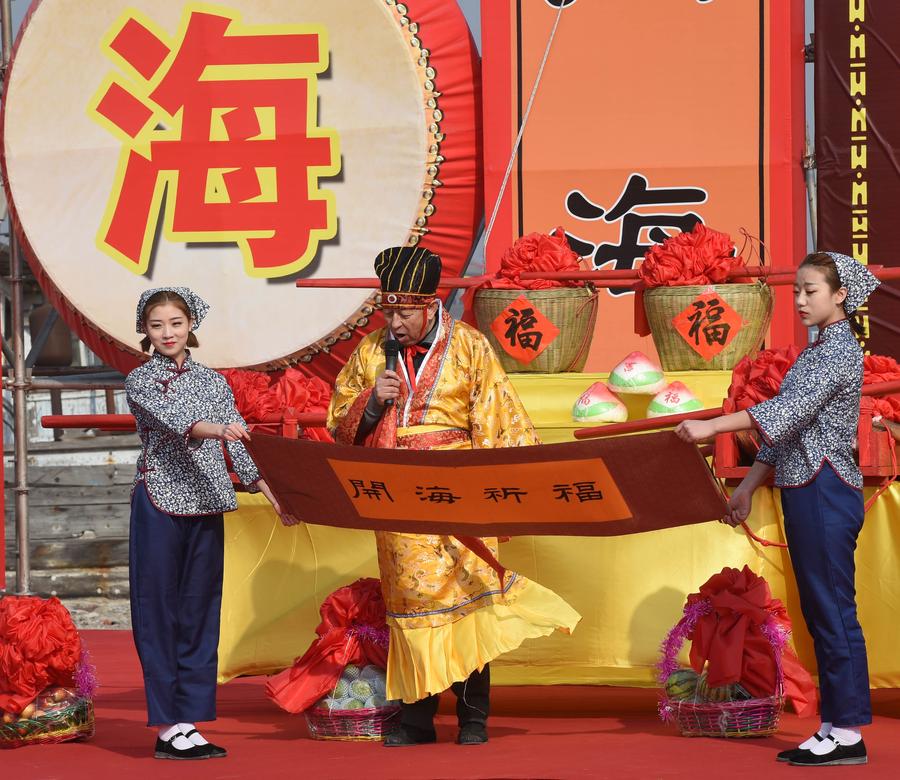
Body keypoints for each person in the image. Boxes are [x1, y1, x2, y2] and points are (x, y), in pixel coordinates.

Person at [327, 246, 580, 747]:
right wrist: (372, 403)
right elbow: (339, 426)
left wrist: (505, 492)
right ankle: (417, 720)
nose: (394, 323)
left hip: (461, 492)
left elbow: (499, 420)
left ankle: (473, 718)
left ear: (429, 305)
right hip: (399, 498)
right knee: (414, 604)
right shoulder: (371, 352)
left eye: (404, 312)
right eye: (388, 311)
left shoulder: (469, 346)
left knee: (471, 602)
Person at [675, 252, 880, 767]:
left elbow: (784, 412)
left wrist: (711, 427)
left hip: (826, 489)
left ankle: (849, 730)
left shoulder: (838, 352)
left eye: (812, 291)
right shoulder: (815, 353)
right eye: (799, 290)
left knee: (833, 611)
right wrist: (750, 487)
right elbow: (785, 430)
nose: (802, 299)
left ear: (840, 296)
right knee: (820, 610)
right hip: (805, 487)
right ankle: (834, 726)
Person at [126, 287, 297, 761]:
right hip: (160, 502)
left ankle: (189, 720)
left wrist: (273, 495)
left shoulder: (214, 382)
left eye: (175, 323)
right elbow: (179, 419)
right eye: (157, 325)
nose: (167, 333)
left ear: (190, 326)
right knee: (158, 611)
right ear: (144, 330)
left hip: (206, 503)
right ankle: (166, 725)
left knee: (200, 612)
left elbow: (240, 448)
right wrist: (218, 429)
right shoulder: (140, 381)